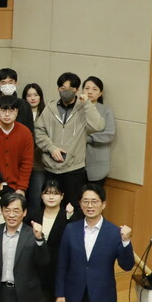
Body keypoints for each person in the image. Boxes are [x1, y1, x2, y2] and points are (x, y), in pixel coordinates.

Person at [34, 72, 104, 208]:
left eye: (71, 89)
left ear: (76, 90)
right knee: (49, 207)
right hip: (51, 168)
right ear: (58, 89)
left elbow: (98, 126)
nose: (66, 91)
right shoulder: (50, 108)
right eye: (63, 88)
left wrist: (87, 103)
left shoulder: (84, 108)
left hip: (74, 169)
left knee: (73, 209)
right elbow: (39, 131)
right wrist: (51, 148)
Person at [32, 179, 71, 302]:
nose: (51, 196)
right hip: (38, 271)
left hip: (61, 271)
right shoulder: (34, 215)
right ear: (41, 195)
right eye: (47, 192)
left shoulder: (69, 217)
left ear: (62, 196)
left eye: (55, 193)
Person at [82, 76, 116, 185]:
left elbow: (109, 135)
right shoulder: (77, 108)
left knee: (95, 193)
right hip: (76, 163)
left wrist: (88, 138)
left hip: (98, 163)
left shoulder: (106, 110)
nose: (90, 92)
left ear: (100, 93)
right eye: (87, 88)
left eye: (94, 89)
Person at [23, 83, 48, 214]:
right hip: (22, 163)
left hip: (39, 163)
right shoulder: (20, 113)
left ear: (40, 97)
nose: (32, 98)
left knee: (36, 197)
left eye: (36, 95)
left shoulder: (46, 114)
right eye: (29, 95)